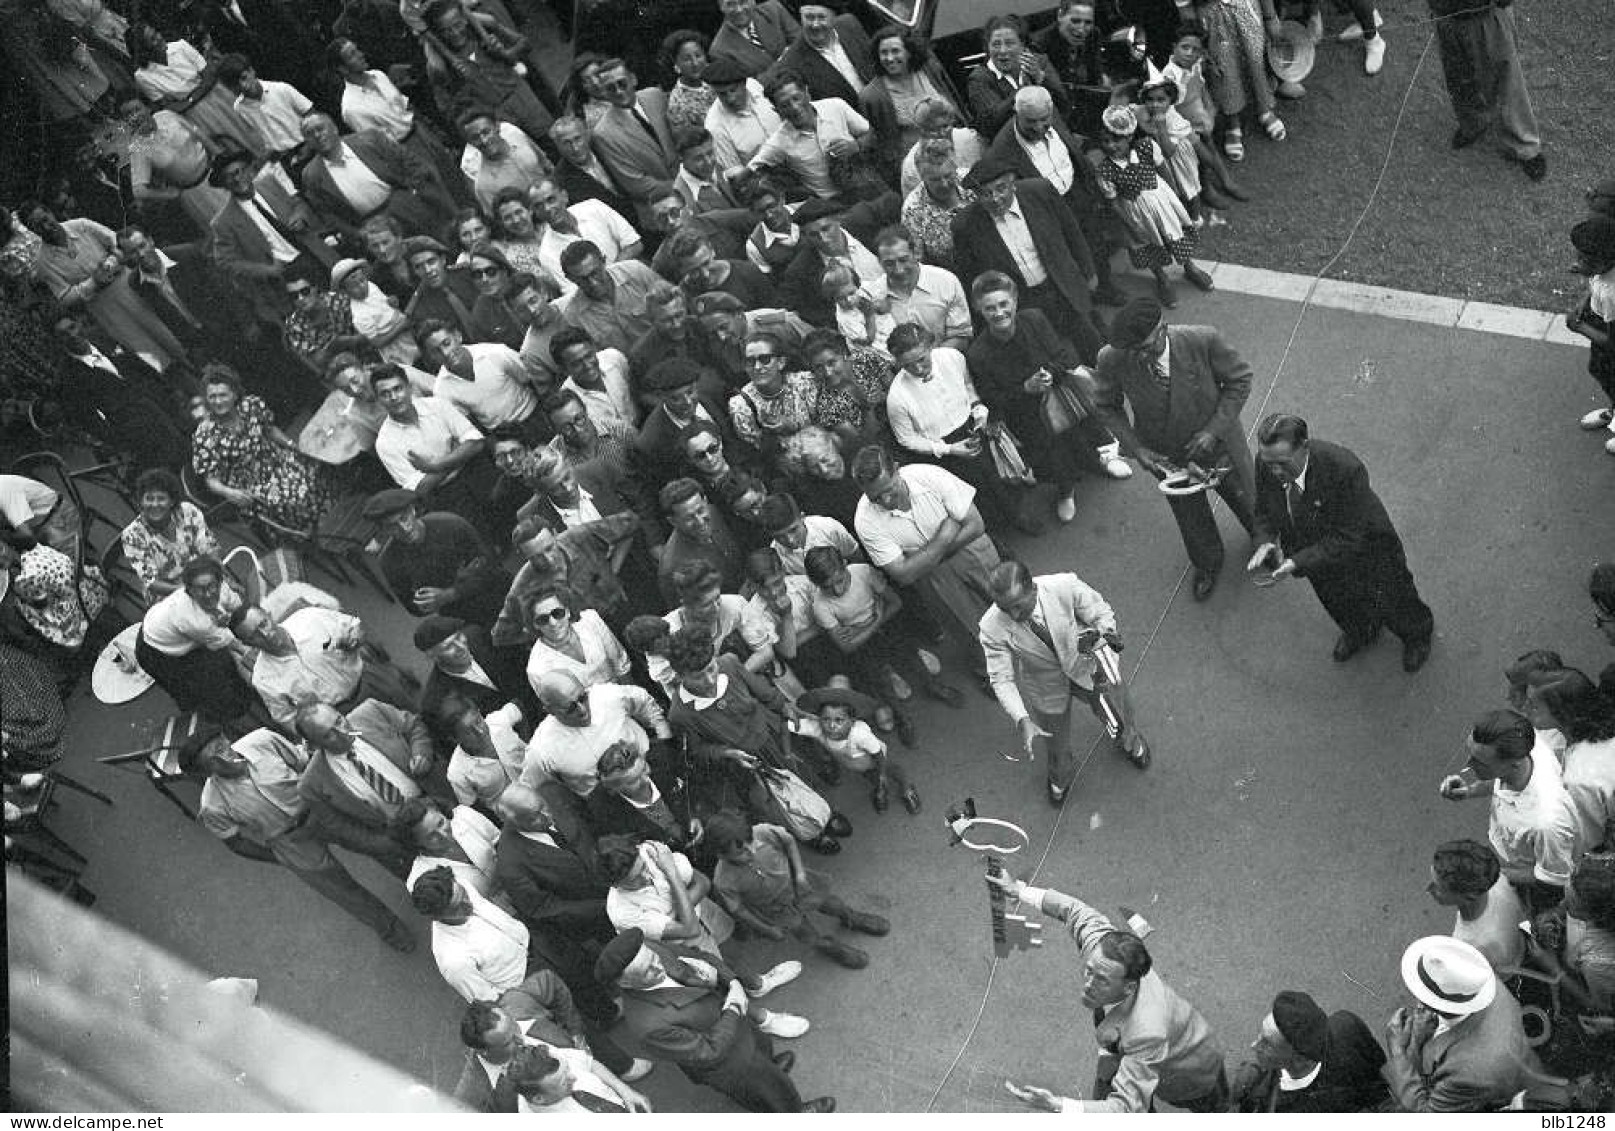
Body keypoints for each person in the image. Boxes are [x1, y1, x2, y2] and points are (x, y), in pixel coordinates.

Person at [992, 868, 1229, 1111]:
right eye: (1089, 970)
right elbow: (1074, 910)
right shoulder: (1102, 948)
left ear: (1128, 988)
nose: (1088, 984)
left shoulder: (1147, 1033)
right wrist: (1020, 891)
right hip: (1129, 1046)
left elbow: (1124, 1108)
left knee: (1213, 1109)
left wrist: (1058, 1105)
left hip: (1192, 1070)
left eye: (1102, 980)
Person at [182, 727, 416, 951]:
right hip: (289, 840)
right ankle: (391, 930)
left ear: (226, 738)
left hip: (320, 809)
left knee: (377, 844)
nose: (224, 758)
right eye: (213, 760)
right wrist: (279, 857)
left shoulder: (263, 741)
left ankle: (419, 880)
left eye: (222, 747)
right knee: (344, 891)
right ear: (204, 772)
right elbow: (236, 843)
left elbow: (304, 763)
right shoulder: (212, 805)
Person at [1091, 298, 1257, 601]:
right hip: (1165, 454)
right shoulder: (1112, 358)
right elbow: (1105, 405)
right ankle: (1207, 563)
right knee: (1189, 514)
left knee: (1246, 497)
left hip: (1219, 445)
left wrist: (1212, 431)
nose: (1138, 356)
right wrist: (1137, 449)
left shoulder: (1203, 339)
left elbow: (1240, 380)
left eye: (1145, 347)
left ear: (1162, 329)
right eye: (1132, 351)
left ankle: (1264, 540)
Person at [1248, 413, 1434, 671]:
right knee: (1338, 600)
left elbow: (1348, 537)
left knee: (1393, 597)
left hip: (1368, 550)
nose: (1274, 471)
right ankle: (1361, 631)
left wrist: (1296, 561)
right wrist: (1264, 540)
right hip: (1315, 556)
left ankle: (1416, 635)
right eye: (1269, 464)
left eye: (1282, 463)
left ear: (1304, 447)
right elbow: (1264, 509)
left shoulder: (1344, 469)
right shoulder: (1266, 462)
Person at [595, 928, 832, 1110]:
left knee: (764, 1057)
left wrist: (732, 981)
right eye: (647, 971)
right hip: (729, 1062)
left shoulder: (649, 950)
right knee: (772, 1093)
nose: (659, 968)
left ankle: (769, 1068)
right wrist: (734, 1006)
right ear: (624, 983)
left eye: (654, 960)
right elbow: (708, 1053)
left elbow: (701, 956)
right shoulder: (648, 1025)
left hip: (737, 1026)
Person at [967, 271, 1131, 525]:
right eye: (990, 308)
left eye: (1003, 304)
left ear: (1015, 301)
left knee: (1087, 425)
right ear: (979, 309)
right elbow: (993, 399)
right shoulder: (978, 353)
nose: (999, 313)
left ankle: (1105, 458)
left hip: (1062, 394)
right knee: (1049, 453)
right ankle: (1065, 491)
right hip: (1024, 411)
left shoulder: (1034, 319)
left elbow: (1064, 355)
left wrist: (1049, 374)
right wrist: (1025, 388)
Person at [981, 561, 1151, 806]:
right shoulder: (990, 627)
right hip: (1045, 686)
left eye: (1017, 606)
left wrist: (1104, 636)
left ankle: (1130, 740)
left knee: (1119, 711)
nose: (1013, 616)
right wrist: (1023, 719)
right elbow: (1001, 678)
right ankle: (1060, 776)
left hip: (1087, 667)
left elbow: (1100, 613)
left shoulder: (1064, 585)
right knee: (1055, 745)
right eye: (1004, 609)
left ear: (1033, 590)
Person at [850, 444, 1000, 682]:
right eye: (876, 498)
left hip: (967, 552)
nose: (886, 500)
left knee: (1007, 596)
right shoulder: (865, 521)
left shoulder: (929, 475)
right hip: (934, 576)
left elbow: (976, 525)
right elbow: (903, 575)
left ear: (897, 470)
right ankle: (990, 673)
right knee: (966, 628)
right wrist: (945, 534)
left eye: (889, 489)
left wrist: (921, 558)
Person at [951, 159, 1105, 363]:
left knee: (1091, 342)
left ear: (1012, 183)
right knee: (1048, 356)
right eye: (986, 194)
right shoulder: (965, 225)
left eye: (1001, 189)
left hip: (1063, 285)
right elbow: (971, 275)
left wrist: (1089, 271)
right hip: (1022, 301)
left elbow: (1071, 231)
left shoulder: (1040, 191)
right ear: (976, 196)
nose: (996, 199)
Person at [707, 807, 889, 971]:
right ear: (721, 854)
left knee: (831, 904)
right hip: (775, 909)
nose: (751, 851)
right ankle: (830, 947)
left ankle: (850, 917)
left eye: (750, 842)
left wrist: (800, 873)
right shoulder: (723, 880)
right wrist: (766, 929)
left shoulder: (762, 832)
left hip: (796, 883)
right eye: (741, 852)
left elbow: (789, 842)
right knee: (806, 934)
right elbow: (738, 909)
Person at [1382, 935, 1549, 1111]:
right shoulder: (1481, 983)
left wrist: (1398, 1052)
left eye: (1422, 995)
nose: (1418, 1003)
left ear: (1433, 1003)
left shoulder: (1469, 1073)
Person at [1439, 708, 1578, 911]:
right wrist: (1468, 791)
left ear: (1514, 764)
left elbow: (1552, 877)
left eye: (1479, 762)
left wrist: (1495, 876)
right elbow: (1498, 779)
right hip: (1511, 857)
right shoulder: (1523, 749)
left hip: (1528, 880)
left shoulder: (1547, 823)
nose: (1467, 766)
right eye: (1470, 754)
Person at [452, 976, 651, 1112]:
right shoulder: (474, 1094)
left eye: (516, 1028)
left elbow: (550, 981)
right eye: (508, 1042)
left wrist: (576, 1031)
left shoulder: (517, 1003)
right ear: (483, 1051)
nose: (522, 1039)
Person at [293, 700, 433, 875]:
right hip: (399, 836)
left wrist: (421, 753)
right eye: (329, 735)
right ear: (314, 745)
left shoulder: (371, 712)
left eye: (339, 721)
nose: (343, 732)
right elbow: (342, 827)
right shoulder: (312, 785)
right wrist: (384, 844)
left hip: (433, 800)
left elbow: (414, 726)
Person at [1093, 105, 1214, 308]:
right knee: (1149, 242)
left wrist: (1175, 195)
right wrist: (1129, 224)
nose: (1111, 146)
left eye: (1116, 140)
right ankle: (1162, 278)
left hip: (1162, 201)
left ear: (1129, 137)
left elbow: (1164, 170)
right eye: (1106, 141)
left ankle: (1189, 267)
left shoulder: (1146, 147)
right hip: (1136, 213)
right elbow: (1113, 202)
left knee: (1174, 233)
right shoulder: (1106, 171)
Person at [191, 365, 339, 530]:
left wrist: (292, 446)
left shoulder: (250, 406)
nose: (218, 401)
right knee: (293, 498)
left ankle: (336, 523)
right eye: (212, 397)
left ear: (234, 393)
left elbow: (270, 429)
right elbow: (211, 480)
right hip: (253, 486)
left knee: (318, 469)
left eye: (223, 395)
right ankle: (316, 534)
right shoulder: (204, 436)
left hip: (278, 460)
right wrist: (230, 493)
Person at [232, 595, 416, 728]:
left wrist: (355, 637)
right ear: (247, 643)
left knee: (416, 720)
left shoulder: (309, 618)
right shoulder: (263, 679)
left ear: (269, 615)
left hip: (369, 680)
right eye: (254, 636)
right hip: (342, 717)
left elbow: (353, 625)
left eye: (263, 624)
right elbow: (288, 719)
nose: (266, 635)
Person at [136, 556, 257, 726]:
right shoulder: (194, 620)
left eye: (212, 586)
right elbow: (236, 645)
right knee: (196, 687)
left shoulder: (223, 589)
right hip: (155, 648)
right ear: (188, 591)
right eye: (200, 589)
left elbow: (239, 611)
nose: (208, 594)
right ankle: (227, 722)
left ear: (220, 581)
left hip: (174, 630)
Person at [1430, 0, 1543, 180]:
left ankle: (1525, 145)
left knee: (1507, 82)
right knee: (1459, 78)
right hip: (1447, 16)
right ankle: (1473, 123)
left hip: (1487, 15)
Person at [364, 489, 510, 623]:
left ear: (413, 510)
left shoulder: (451, 525)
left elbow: (493, 566)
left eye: (404, 518)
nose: (404, 528)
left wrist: (449, 594)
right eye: (392, 526)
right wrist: (426, 602)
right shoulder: (389, 562)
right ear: (383, 530)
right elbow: (413, 608)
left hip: (499, 592)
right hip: (460, 614)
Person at [1228, 990, 1388, 1112]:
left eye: (1267, 1044)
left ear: (1299, 1059)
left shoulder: (1283, 1106)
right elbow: (1381, 1073)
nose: (1254, 1045)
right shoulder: (1347, 1025)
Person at [298, 113, 453, 237]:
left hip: (404, 203)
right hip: (374, 229)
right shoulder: (311, 175)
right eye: (310, 134)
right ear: (308, 142)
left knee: (441, 242)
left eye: (320, 128)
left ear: (334, 128)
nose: (317, 135)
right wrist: (357, 234)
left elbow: (408, 162)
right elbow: (328, 214)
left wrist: (416, 193)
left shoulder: (369, 139)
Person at [524, 672, 672, 797]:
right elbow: (541, 791)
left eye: (583, 698)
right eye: (570, 708)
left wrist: (666, 743)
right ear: (550, 711)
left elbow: (643, 700)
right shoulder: (541, 750)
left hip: (654, 769)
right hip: (614, 805)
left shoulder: (607, 695)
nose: (583, 710)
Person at [410, 865, 533, 1003]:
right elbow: (486, 1000)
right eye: (457, 908)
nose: (468, 904)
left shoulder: (459, 884)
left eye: (464, 894)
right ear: (437, 917)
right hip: (523, 984)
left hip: (531, 939)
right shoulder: (452, 960)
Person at [791, 682, 921, 813]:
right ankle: (880, 788)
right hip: (856, 764)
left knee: (895, 772)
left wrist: (882, 775)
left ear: (852, 721)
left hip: (878, 758)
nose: (831, 725)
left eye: (839, 720)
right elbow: (787, 724)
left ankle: (907, 789)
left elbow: (878, 755)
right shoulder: (816, 728)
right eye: (826, 719)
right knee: (871, 777)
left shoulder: (859, 734)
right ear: (819, 719)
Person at [749, 73, 873, 203]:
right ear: (777, 110)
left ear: (807, 92)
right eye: (785, 105)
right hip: (832, 203)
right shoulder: (779, 142)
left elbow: (872, 133)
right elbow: (751, 170)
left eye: (796, 98)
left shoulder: (835, 106)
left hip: (865, 185)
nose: (794, 108)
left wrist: (856, 145)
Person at [1191, 0, 1286, 163]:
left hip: (1247, 10)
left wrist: (1270, 17)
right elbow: (1185, 7)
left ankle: (1264, 109)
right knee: (1224, 71)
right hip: (1211, 19)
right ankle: (1233, 123)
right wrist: (1193, 36)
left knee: (1256, 62)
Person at [119, 468, 220, 602]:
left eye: (161, 498)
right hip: (169, 594)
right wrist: (189, 591)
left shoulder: (187, 511)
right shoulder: (132, 536)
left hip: (205, 577)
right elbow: (152, 582)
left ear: (172, 501)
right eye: (149, 499)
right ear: (141, 502)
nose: (155, 504)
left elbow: (210, 549)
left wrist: (213, 578)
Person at [966, 14, 1069, 140]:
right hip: (1015, 148)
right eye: (996, 44)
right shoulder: (980, 78)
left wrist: (1041, 78)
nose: (1003, 51)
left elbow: (1064, 105)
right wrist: (1023, 92)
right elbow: (991, 124)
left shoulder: (1039, 62)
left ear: (1023, 45)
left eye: (1010, 44)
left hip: (1055, 138)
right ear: (987, 48)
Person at [523, 584, 630, 697]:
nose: (553, 623)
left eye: (557, 613)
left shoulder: (591, 620)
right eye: (543, 619)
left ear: (568, 611)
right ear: (535, 625)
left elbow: (621, 666)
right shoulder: (537, 668)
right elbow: (561, 709)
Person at [1568, 217, 1615, 451]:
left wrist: (1581, 328)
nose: (1578, 262)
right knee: (1599, 369)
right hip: (1604, 320)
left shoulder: (1612, 293)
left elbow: (1612, 343)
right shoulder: (1603, 270)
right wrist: (1585, 301)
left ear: (1603, 260)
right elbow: (1594, 282)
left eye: (1584, 258)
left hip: (1609, 334)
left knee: (1609, 375)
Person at [777, 2, 876, 106]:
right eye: (809, 18)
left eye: (821, 17)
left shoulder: (849, 24)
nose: (815, 24)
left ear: (833, 17)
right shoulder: (792, 62)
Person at [438, 692, 527, 809]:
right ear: (455, 739)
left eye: (478, 721)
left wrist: (528, 739)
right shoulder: (457, 773)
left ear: (479, 713)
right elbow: (473, 807)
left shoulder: (498, 720)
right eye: (468, 732)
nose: (480, 732)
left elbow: (519, 705)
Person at [709, 0, 801, 77]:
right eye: (730, 4)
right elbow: (748, 86)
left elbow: (802, 43)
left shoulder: (774, 10)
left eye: (743, 1)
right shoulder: (719, 50)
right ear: (721, 7)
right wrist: (783, 62)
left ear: (753, 1)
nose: (739, 10)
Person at [0, 474, 80, 558]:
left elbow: (26, 534)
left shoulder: (3, 491)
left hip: (56, 518)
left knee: (72, 563)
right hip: (41, 522)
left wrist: (6, 537)